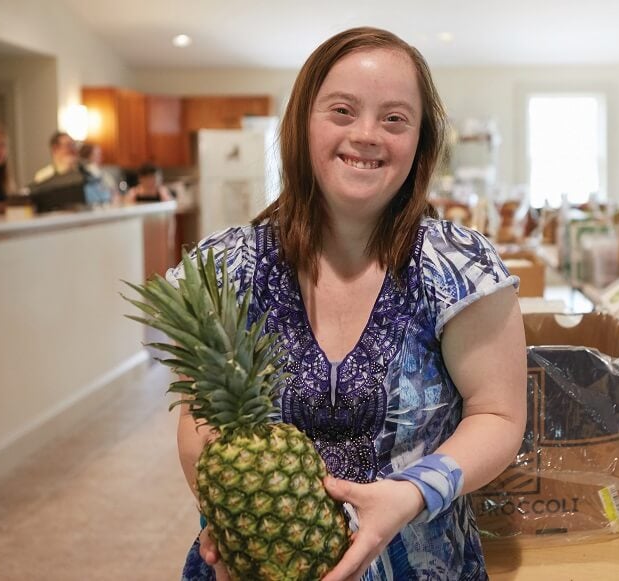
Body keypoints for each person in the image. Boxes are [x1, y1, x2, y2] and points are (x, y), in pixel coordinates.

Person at [167, 27, 527, 581]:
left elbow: (499, 415)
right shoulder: (225, 269)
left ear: (420, 141)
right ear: (301, 124)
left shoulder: (459, 266)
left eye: (394, 118)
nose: (367, 135)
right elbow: (199, 420)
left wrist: (412, 492)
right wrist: (231, 514)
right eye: (342, 110)